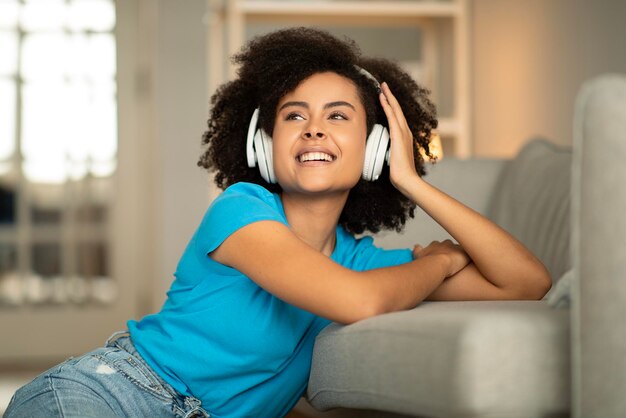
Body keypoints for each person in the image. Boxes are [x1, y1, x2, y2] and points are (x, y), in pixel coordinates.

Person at [5, 27, 551, 418]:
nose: (314, 129)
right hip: (107, 395)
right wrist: (436, 263)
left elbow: (526, 283)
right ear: (265, 147)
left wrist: (413, 183)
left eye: (338, 116)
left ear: (376, 146)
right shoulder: (244, 210)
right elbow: (358, 302)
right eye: (295, 116)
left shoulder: (360, 262)